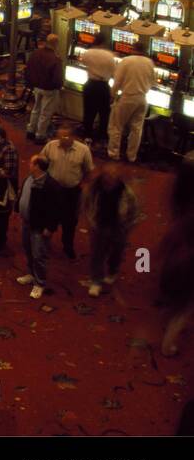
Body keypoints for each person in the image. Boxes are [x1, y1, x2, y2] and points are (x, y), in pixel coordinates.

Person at [82, 165, 138, 297]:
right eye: (107, 175)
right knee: (97, 254)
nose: (110, 178)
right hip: (99, 225)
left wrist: (128, 226)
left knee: (116, 252)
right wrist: (91, 221)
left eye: (113, 176)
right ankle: (96, 281)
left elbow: (134, 210)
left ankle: (113, 271)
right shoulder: (94, 190)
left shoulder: (126, 192)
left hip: (118, 227)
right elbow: (87, 205)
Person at [41, 126, 93, 259]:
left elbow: (88, 171)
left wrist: (82, 186)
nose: (62, 139)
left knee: (69, 222)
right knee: (48, 217)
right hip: (52, 190)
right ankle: (44, 245)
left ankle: (67, 246)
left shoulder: (83, 150)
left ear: (73, 137)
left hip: (71, 192)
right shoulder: (50, 146)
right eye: (60, 136)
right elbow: (41, 162)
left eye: (66, 136)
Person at [15, 155, 62, 299]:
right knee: (28, 249)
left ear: (37, 166)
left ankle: (39, 283)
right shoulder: (29, 179)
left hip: (40, 227)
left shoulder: (50, 185)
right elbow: (22, 193)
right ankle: (31, 274)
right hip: (27, 222)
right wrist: (18, 209)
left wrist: (50, 227)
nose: (28, 165)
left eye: (31, 163)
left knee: (39, 255)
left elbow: (56, 209)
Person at [161, 156, 194, 356]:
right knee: (184, 308)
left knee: (178, 304)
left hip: (177, 265)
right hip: (187, 269)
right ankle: (168, 345)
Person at [108, 52, 156, 162]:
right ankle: (131, 156)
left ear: (134, 49)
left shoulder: (126, 60)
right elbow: (153, 82)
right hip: (142, 99)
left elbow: (117, 80)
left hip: (127, 97)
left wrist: (112, 94)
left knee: (116, 126)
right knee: (136, 129)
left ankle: (113, 154)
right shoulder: (149, 63)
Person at [25, 34, 64, 143]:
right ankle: (40, 135)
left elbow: (29, 68)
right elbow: (57, 78)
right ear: (56, 44)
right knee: (45, 113)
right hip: (49, 89)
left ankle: (30, 130)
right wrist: (59, 87)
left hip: (36, 86)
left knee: (36, 109)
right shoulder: (55, 59)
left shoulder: (36, 53)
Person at [79, 43, 116, 144]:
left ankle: (87, 136)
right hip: (103, 85)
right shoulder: (110, 55)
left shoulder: (89, 52)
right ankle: (102, 137)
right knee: (104, 113)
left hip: (90, 84)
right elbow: (114, 71)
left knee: (88, 112)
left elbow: (82, 61)